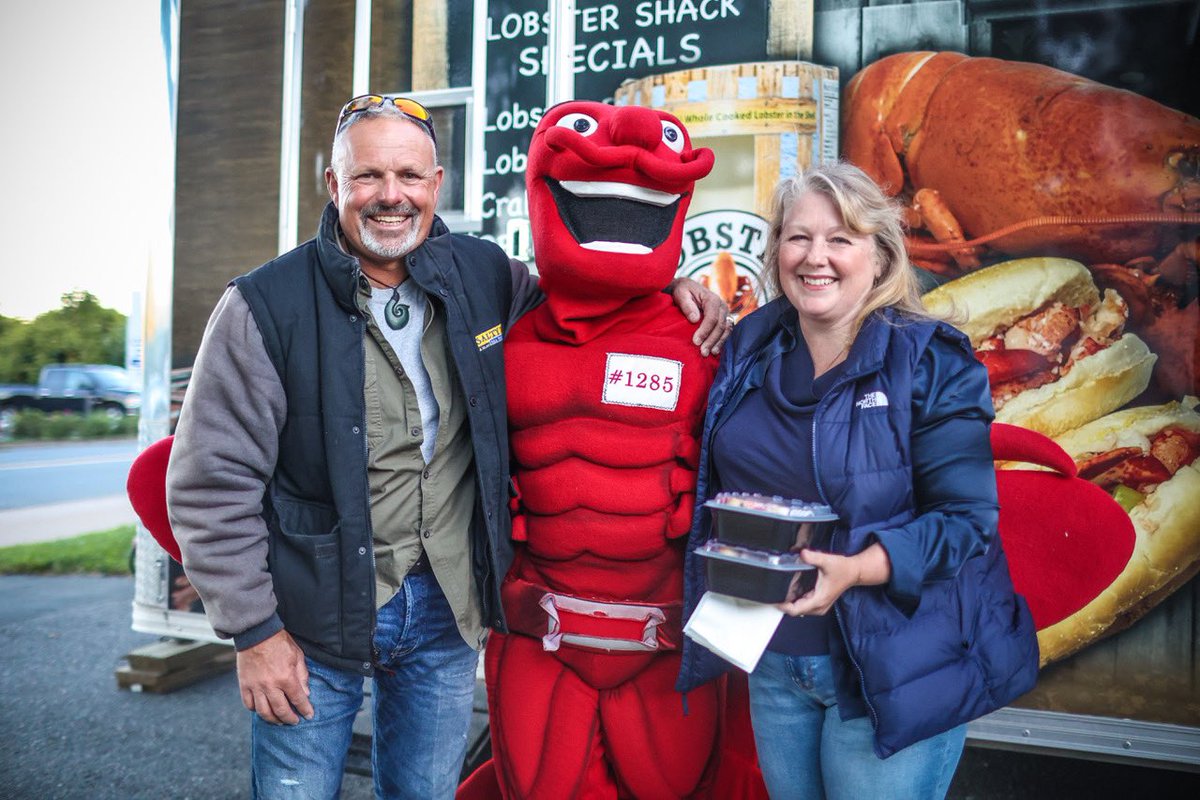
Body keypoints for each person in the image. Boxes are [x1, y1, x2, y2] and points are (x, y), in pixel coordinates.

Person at [166, 94, 731, 800]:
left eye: (409, 176)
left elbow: (593, 293)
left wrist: (677, 289)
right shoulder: (263, 305)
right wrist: (253, 633)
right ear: (335, 184)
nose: (390, 196)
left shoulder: (485, 277)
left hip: (445, 610)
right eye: (368, 176)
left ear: (437, 186)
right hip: (314, 618)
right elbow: (209, 483)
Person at [675, 162, 1038, 799]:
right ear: (776, 251)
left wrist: (857, 569)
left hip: (895, 663)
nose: (816, 257)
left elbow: (966, 523)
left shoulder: (928, 360)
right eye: (798, 237)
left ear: (881, 256)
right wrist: (678, 286)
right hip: (775, 661)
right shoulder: (749, 348)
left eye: (841, 238)